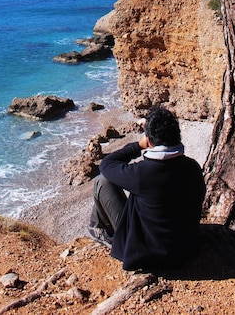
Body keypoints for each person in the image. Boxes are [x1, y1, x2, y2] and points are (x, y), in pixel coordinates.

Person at [88, 106, 206, 271]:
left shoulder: (142, 173)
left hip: (149, 257)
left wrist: (138, 146)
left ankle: (101, 232)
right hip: (184, 251)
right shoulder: (192, 167)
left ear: (149, 141)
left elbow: (106, 165)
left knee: (102, 182)